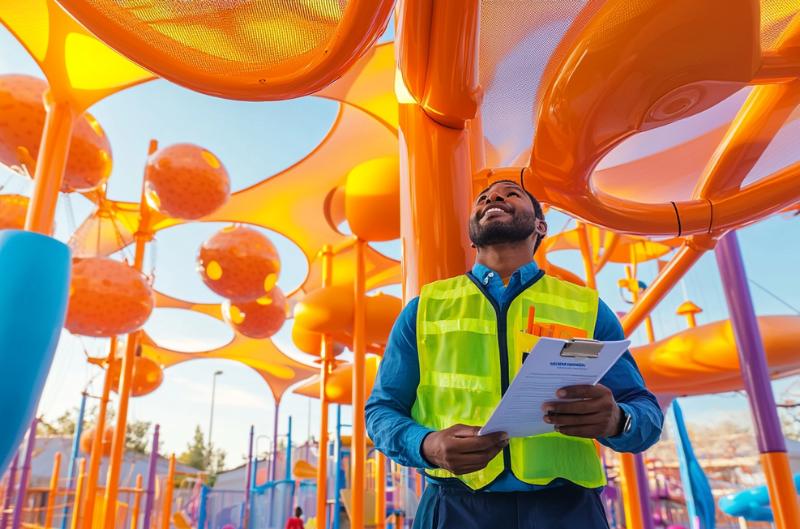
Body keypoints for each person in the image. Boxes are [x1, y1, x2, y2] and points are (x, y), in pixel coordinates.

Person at [366, 180, 664, 528]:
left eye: (511, 194)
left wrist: (618, 420)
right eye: (483, 198)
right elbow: (381, 411)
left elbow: (644, 411)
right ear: (472, 236)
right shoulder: (424, 309)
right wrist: (426, 444)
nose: (493, 197)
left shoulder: (587, 308)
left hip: (569, 509)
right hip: (453, 507)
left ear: (540, 226)